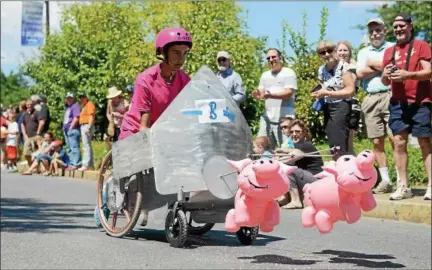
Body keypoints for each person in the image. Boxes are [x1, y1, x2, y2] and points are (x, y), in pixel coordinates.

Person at [94, 27, 194, 228]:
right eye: (176, 52)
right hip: (136, 127)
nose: (180, 58)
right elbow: (144, 116)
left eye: (184, 53)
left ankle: (165, 205)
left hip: (162, 130)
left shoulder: (184, 79)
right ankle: (110, 193)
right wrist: (145, 136)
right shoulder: (146, 79)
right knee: (135, 165)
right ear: (162, 53)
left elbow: (189, 109)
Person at [381, 13, 432, 200]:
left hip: (420, 101)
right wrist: (385, 74)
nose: (398, 29)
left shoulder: (421, 45)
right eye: (395, 27)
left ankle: (431, 185)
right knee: (398, 142)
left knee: (424, 142)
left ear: (410, 26)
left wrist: (407, 75)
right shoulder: (389, 51)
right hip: (398, 103)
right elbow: (385, 81)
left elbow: (428, 72)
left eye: (401, 25)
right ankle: (403, 186)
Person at [357, 18, 396, 194]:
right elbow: (360, 73)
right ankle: (386, 181)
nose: (375, 34)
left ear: (384, 30)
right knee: (376, 141)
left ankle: (401, 180)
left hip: (390, 94)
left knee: (396, 139)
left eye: (378, 30)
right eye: (372, 31)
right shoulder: (363, 51)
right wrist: (383, 66)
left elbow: (394, 68)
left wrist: (371, 64)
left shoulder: (393, 47)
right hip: (370, 98)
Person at [312, 40, 356, 159]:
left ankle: (345, 171)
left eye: (329, 51)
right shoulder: (321, 70)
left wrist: (328, 93)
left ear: (335, 51)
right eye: (322, 52)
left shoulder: (343, 67)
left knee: (340, 142)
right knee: (332, 142)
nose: (326, 54)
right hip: (328, 107)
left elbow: (350, 90)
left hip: (341, 105)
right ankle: (337, 168)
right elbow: (323, 86)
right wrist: (318, 92)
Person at [251, 48, 298, 149]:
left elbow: (288, 93)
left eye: (273, 57)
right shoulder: (265, 75)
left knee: (286, 149)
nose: (271, 60)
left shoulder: (288, 72)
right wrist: (257, 94)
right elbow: (262, 94)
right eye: (268, 58)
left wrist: (271, 95)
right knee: (260, 145)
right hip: (267, 117)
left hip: (285, 118)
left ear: (280, 58)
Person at [276, 119, 324, 209]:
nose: (294, 134)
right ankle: (286, 197)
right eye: (291, 132)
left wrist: (276, 162)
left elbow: (294, 155)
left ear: (304, 132)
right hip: (307, 177)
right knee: (288, 168)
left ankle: (296, 200)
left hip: (316, 179)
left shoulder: (305, 145)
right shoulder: (299, 144)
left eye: (297, 131)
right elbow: (293, 151)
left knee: (288, 169)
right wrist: (281, 151)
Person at [336, 40, 361, 154]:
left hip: (350, 103)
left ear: (350, 52)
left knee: (349, 136)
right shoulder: (334, 67)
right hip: (336, 104)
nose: (342, 53)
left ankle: (351, 159)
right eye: (340, 50)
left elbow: (350, 84)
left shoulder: (352, 66)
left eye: (345, 50)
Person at [21, 99, 45, 167]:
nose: (29, 106)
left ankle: (36, 168)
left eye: (31, 105)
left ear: (33, 105)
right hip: (28, 137)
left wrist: (38, 133)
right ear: (26, 105)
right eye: (28, 105)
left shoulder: (36, 112)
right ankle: (31, 166)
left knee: (37, 153)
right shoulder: (25, 114)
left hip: (36, 136)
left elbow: (42, 122)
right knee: (26, 153)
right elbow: (22, 124)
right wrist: (24, 134)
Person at [63, 92, 81, 171]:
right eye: (67, 98)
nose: (69, 99)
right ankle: (72, 163)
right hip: (66, 130)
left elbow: (76, 117)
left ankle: (76, 164)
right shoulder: (68, 108)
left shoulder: (75, 106)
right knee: (69, 148)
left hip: (73, 129)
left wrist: (70, 128)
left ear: (73, 98)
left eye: (70, 98)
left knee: (74, 147)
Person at [78, 93, 96, 171]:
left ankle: (85, 165)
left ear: (86, 98)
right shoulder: (84, 106)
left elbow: (91, 116)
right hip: (84, 126)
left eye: (83, 97)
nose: (81, 99)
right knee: (88, 146)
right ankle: (91, 165)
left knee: (86, 146)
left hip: (86, 126)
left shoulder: (89, 104)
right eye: (80, 98)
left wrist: (88, 127)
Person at [5, 108, 19, 172]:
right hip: (8, 142)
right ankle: (11, 166)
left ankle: (12, 166)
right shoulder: (9, 124)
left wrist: (8, 132)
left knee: (12, 155)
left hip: (13, 142)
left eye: (11, 117)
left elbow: (16, 133)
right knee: (9, 155)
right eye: (9, 117)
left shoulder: (15, 124)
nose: (10, 119)